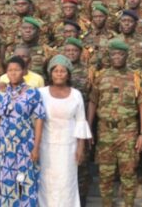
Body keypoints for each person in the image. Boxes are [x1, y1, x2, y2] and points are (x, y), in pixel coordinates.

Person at [87, 40, 142, 207]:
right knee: (105, 174)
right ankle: (107, 204)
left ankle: (129, 203)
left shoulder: (136, 77)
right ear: (109, 56)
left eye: (120, 54)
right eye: (114, 54)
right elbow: (93, 102)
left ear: (126, 56)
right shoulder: (101, 77)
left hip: (127, 131)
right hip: (105, 131)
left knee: (129, 172)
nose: (117, 57)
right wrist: (88, 127)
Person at [0, 56, 46, 206]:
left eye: (17, 70)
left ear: (24, 72)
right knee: (5, 185)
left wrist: (36, 147)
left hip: (24, 144)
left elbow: (40, 119)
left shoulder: (33, 93)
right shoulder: (0, 93)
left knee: (24, 181)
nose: (13, 73)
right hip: (3, 145)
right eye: (10, 70)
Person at [38, 55, 92, 207]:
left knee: (67, 183)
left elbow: (81, 121)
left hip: (69, 147)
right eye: (56, 71)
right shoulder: (41, 93)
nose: (59, 74)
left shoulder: (76, 94)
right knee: (47, 183)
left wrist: (80, 147)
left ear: (68, 74)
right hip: (46, 146)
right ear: (50, 73)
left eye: (63, 71)